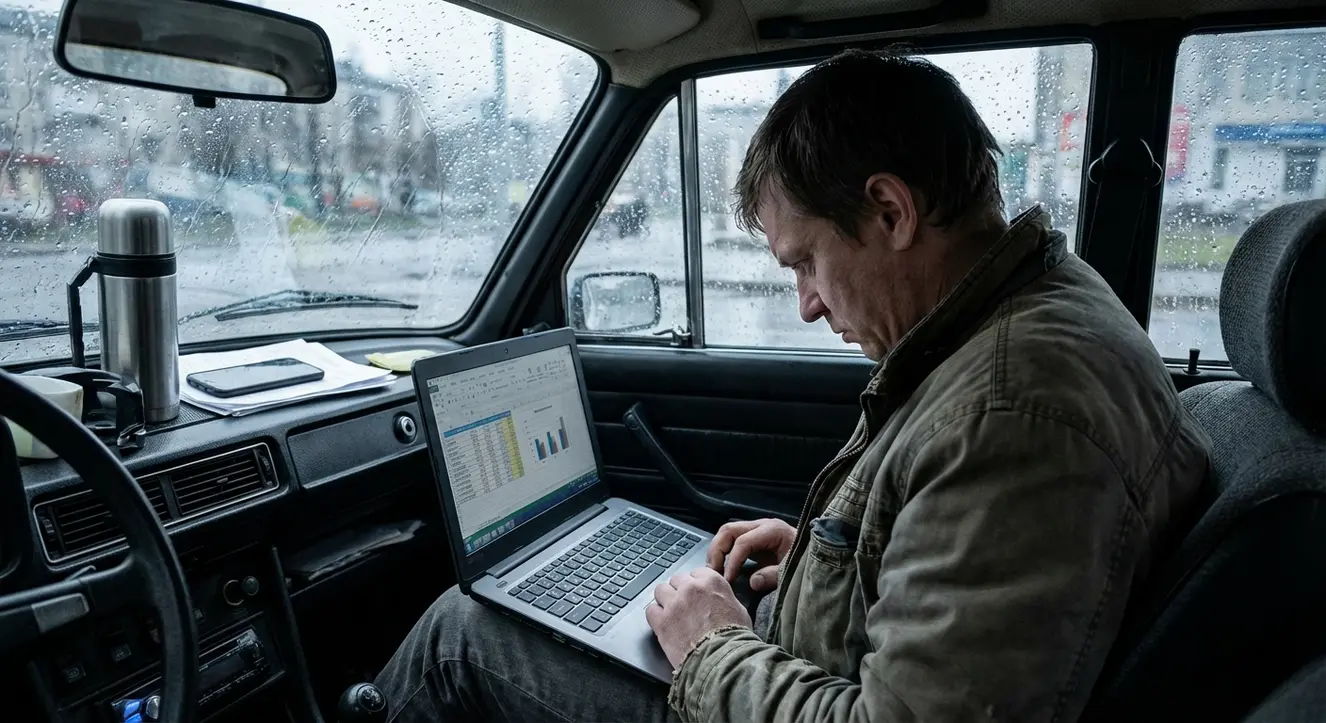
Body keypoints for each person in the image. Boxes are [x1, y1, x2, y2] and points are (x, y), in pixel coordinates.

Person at [373, 47, 1211, 723]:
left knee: (462, 630)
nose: (806, 304)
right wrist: (831, 560)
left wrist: (710, 650)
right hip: (804, 662)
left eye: (806, 261)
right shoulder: (1045, 303)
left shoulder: (1011, 412)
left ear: (890, 212)